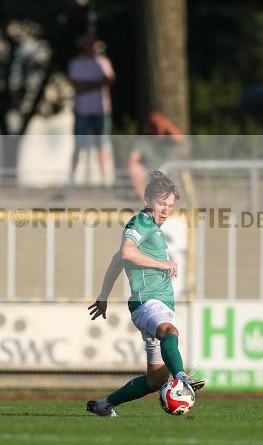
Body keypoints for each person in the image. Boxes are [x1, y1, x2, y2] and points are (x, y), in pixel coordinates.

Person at [87, 170, 203, 417]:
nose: (166, 210)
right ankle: (182, 377)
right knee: (169, 332)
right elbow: (127, 252)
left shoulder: (151, 226)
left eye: (170, 205)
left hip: (156, 305)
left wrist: (103, 297)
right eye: (162, 203)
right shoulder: (141, 222)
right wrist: (164, 264)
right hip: (148, 303)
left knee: (155, 380)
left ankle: (104, 405)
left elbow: (117, 259)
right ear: (147, 201)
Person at [68, 34, 115, 186]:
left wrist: (88, 85)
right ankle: (71, 180)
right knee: (78, 146)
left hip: (101, 112)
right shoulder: (75, 63)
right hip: (82, 111)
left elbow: (110, 80)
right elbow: (77, 87)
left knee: (101, 146)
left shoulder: (103, 62)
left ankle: (105, 181)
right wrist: (98, 84)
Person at [127, 111, 184, 200]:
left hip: (170, 176)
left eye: (160, 125)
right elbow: (133, 159)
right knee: (134, 167)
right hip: (150, 175)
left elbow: (180, 139)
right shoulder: (144, 141)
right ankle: (146, 203)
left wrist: (166, 123)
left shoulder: (170, 140)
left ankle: (169, 201)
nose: (157, 128)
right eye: (153, 126)